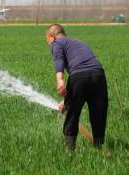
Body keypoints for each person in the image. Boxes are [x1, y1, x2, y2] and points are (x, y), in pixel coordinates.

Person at [46, 23, 108, 151]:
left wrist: (59, 80)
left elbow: (59, 60)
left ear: (52, 37)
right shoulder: (78, 43)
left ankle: (70, 153)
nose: (49, 43)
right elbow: (84, 78)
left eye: (47, 39)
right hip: (99, 75)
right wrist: (66, 101)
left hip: (79, 77)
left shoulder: (57, 43)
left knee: (72, 115)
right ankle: (99, 148)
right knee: (98, 113)